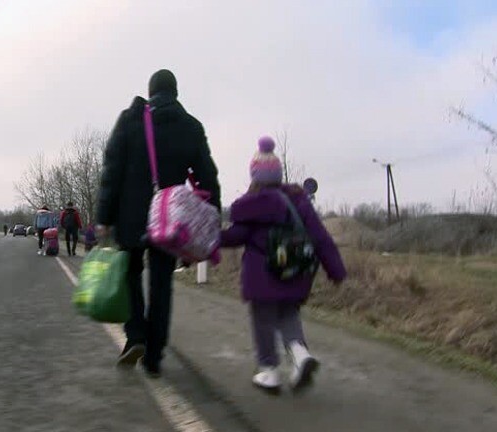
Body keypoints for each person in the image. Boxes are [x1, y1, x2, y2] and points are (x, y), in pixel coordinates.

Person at [96, 69, 221, 378]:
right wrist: (211, 218)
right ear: (176, 93)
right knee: (162, 284)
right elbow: (208, 176)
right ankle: (154, 356)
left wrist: (104, 217)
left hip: (131, 217)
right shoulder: (191, 127)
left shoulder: (130, 119)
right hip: (170, 221)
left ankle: (135, 334)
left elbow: (112, 170)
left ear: (150, 91)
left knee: (130, 275)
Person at [219, 137, 346, 394]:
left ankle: (270, 371)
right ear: (278, 173)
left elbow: (235, 237)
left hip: (262, 274)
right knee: (289, 313)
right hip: (296, 272)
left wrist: (210, 238)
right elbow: (320, 236)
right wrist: (335, 268)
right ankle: (300, 355)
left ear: (254, 175)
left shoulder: (250, 206)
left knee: (263, 320)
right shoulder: (299, 200)